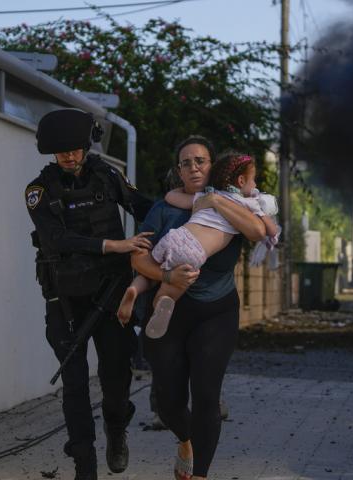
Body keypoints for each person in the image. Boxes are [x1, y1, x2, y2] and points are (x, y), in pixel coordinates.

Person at [25, 109, 153, 480]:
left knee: (116, 379)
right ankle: (85, 466)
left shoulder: (107, 175)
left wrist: (185, 210)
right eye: (61, 151)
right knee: (75, 385)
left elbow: (140, 206)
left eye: (75, 149)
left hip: (111, 294)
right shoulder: (39, 190)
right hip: (65, 300)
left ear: (86, 146)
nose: (69, 156)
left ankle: (116, 430)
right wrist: (112, 245)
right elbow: (56, 239)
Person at [130, 136, 267, 480]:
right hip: (170, 309)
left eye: (200, 160)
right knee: (168, 401)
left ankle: (200, 474)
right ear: (178, 170)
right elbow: (138, 257)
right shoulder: (162, 210)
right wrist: (166, 273)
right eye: (186, 162)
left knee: (207, 394)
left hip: (216, 311)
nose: (194, 167)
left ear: (213, 165)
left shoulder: (231, 202)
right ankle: (185, 438)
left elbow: (257, 229)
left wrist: (216, 204)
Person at [117, 151, 278, 338]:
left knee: (151, 271)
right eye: (254, 181)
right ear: (241, 181)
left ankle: (134, 289)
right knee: (172, 288)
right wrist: (266, 217)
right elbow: (270, 231)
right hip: (194, 253)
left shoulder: (208, 195)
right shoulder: (249, 205)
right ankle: (163, 303)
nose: (256, 185)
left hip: (176, 237)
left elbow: (171, 197)